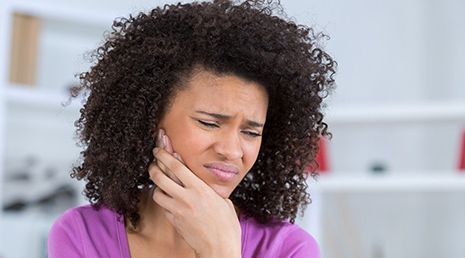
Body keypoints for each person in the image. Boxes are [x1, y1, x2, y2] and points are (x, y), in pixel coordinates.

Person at [48, 0, 336, 257]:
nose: (232, 151)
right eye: (209, 123)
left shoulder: (288, 249)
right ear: (151, 121)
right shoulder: (82, 236)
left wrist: (219, 251)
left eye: (251, 132)